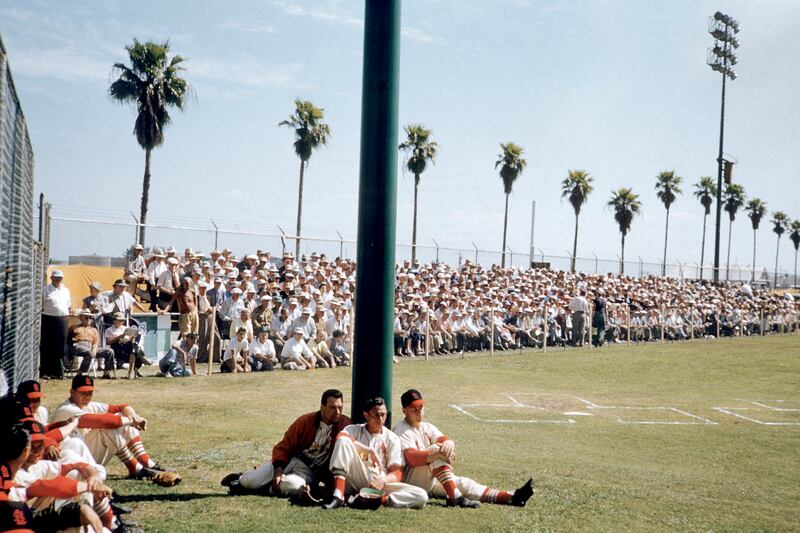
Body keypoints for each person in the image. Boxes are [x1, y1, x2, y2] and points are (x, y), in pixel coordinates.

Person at [393, 389, 534, 508]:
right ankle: (454, 498)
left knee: (465, 484)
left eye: (421, 407)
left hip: (429, 478)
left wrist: (449, 444)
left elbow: (443, 439)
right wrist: (438, 453)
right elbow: (412, 458)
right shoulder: (401, 429)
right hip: (411, 482)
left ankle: (511, 496)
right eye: (414, 409)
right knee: (436, 450)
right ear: (404, 411)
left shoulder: (426, 426)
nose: (418, 412)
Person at [221, 389, 352, 502]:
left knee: (294, 486)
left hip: (309, 473)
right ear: (322, 407)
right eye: (332, 407)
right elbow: (283, 447)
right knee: (250, 481)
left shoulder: (345, 425)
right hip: (291, 461)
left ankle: (258, 489)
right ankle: (242, 478)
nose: (337, 412)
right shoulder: (305, 421)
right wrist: (278, 471)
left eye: (340, 407)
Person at [51, 375, 169, 480]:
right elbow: (102, 421)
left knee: (121, 415)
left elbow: (122, 407)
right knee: (107, 426)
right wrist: (131, 421)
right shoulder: (66, 409)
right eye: (83, 392)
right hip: (69, 463)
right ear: (72, 392)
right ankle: (135, 468)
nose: (87, 396)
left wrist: (134, 416)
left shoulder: (89, 405)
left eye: (89, 392)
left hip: (85, 457)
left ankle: (147, 462)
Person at [324, 397, 428, 510]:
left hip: (379, 483)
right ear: (366, 415)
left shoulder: (392, 438)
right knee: (343, 441)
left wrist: (383, 481)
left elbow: (397, 472)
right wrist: (369, 450)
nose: (380, 419)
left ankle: (371, 500)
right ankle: (338, 495)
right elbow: (340, 437)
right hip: (357, 476)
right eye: (376, 415)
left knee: (421, 495)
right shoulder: (354, 429)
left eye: (383, 415)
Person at [40, 269, 72, 379]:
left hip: (63, 319)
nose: (58, 280)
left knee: (60, 345)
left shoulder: (66, 291)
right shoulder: (45, 290)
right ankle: (46, 371)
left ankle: (58, 371)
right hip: (48, 318)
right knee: (47, 345)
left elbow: (68, 305)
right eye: (56, 277)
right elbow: (41, 304)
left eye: (60, 278)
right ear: (51, 278)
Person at [66, 309, 115, 379]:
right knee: (88, 352)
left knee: (109, 351)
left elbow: (96, 342)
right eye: (86, 317)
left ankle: (106, 373)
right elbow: (67, 341)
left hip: (91, 347)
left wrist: (94, 350)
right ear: (81, 318)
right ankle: (81, 373)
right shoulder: (74, 327)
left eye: (90, 318)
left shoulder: (94, 330)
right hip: (77, 346)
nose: (89, 319)